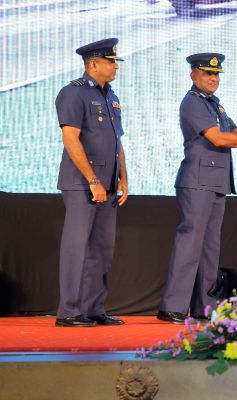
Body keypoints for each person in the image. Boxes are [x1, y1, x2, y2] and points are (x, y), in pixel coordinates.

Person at [157, 53, 237, 324]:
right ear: (193, 74)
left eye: (216, 74)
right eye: (208, 73)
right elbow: (217, 138)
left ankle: (204, 306)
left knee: (209, 249)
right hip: (197, 182)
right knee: (190, 245)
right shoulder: (193, 103)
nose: (214, 78)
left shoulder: (215, 105)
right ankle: (173, 306)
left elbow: (235, 134)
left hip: (215, 183)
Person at [54, 38, 128, 327]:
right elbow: (71, 138)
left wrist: (123, 177)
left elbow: (117, 140)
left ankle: (93, 307)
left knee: (101, 249)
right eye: (111, 62)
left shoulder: (111, 96)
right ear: (93, 64)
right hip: (82, 183)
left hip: (107, 183)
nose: (115, 66)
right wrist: (93, 179)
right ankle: (69, 311)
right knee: (77, 248)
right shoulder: (74, 92)